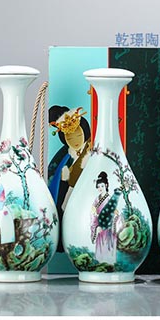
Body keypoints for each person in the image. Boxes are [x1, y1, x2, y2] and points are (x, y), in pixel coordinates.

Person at [48, 105, 91, 251]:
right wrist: (65, 176)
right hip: (70, 189)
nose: (75, 140)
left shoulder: (90, 150)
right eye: (70, 138)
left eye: (78, 135)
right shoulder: (68, 154)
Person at [90, 172, 122, 264]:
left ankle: (109, 263)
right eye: (98, 186)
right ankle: (100, 262)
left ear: (106, 185)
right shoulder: (96, 200)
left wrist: (114, 217)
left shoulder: (109, 199)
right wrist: (96, 226)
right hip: (99, 226)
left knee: (108, 245)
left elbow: (115, 213)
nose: (100, 188)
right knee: (100, 246)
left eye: (102, 186)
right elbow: (93, 214)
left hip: (108, 227)